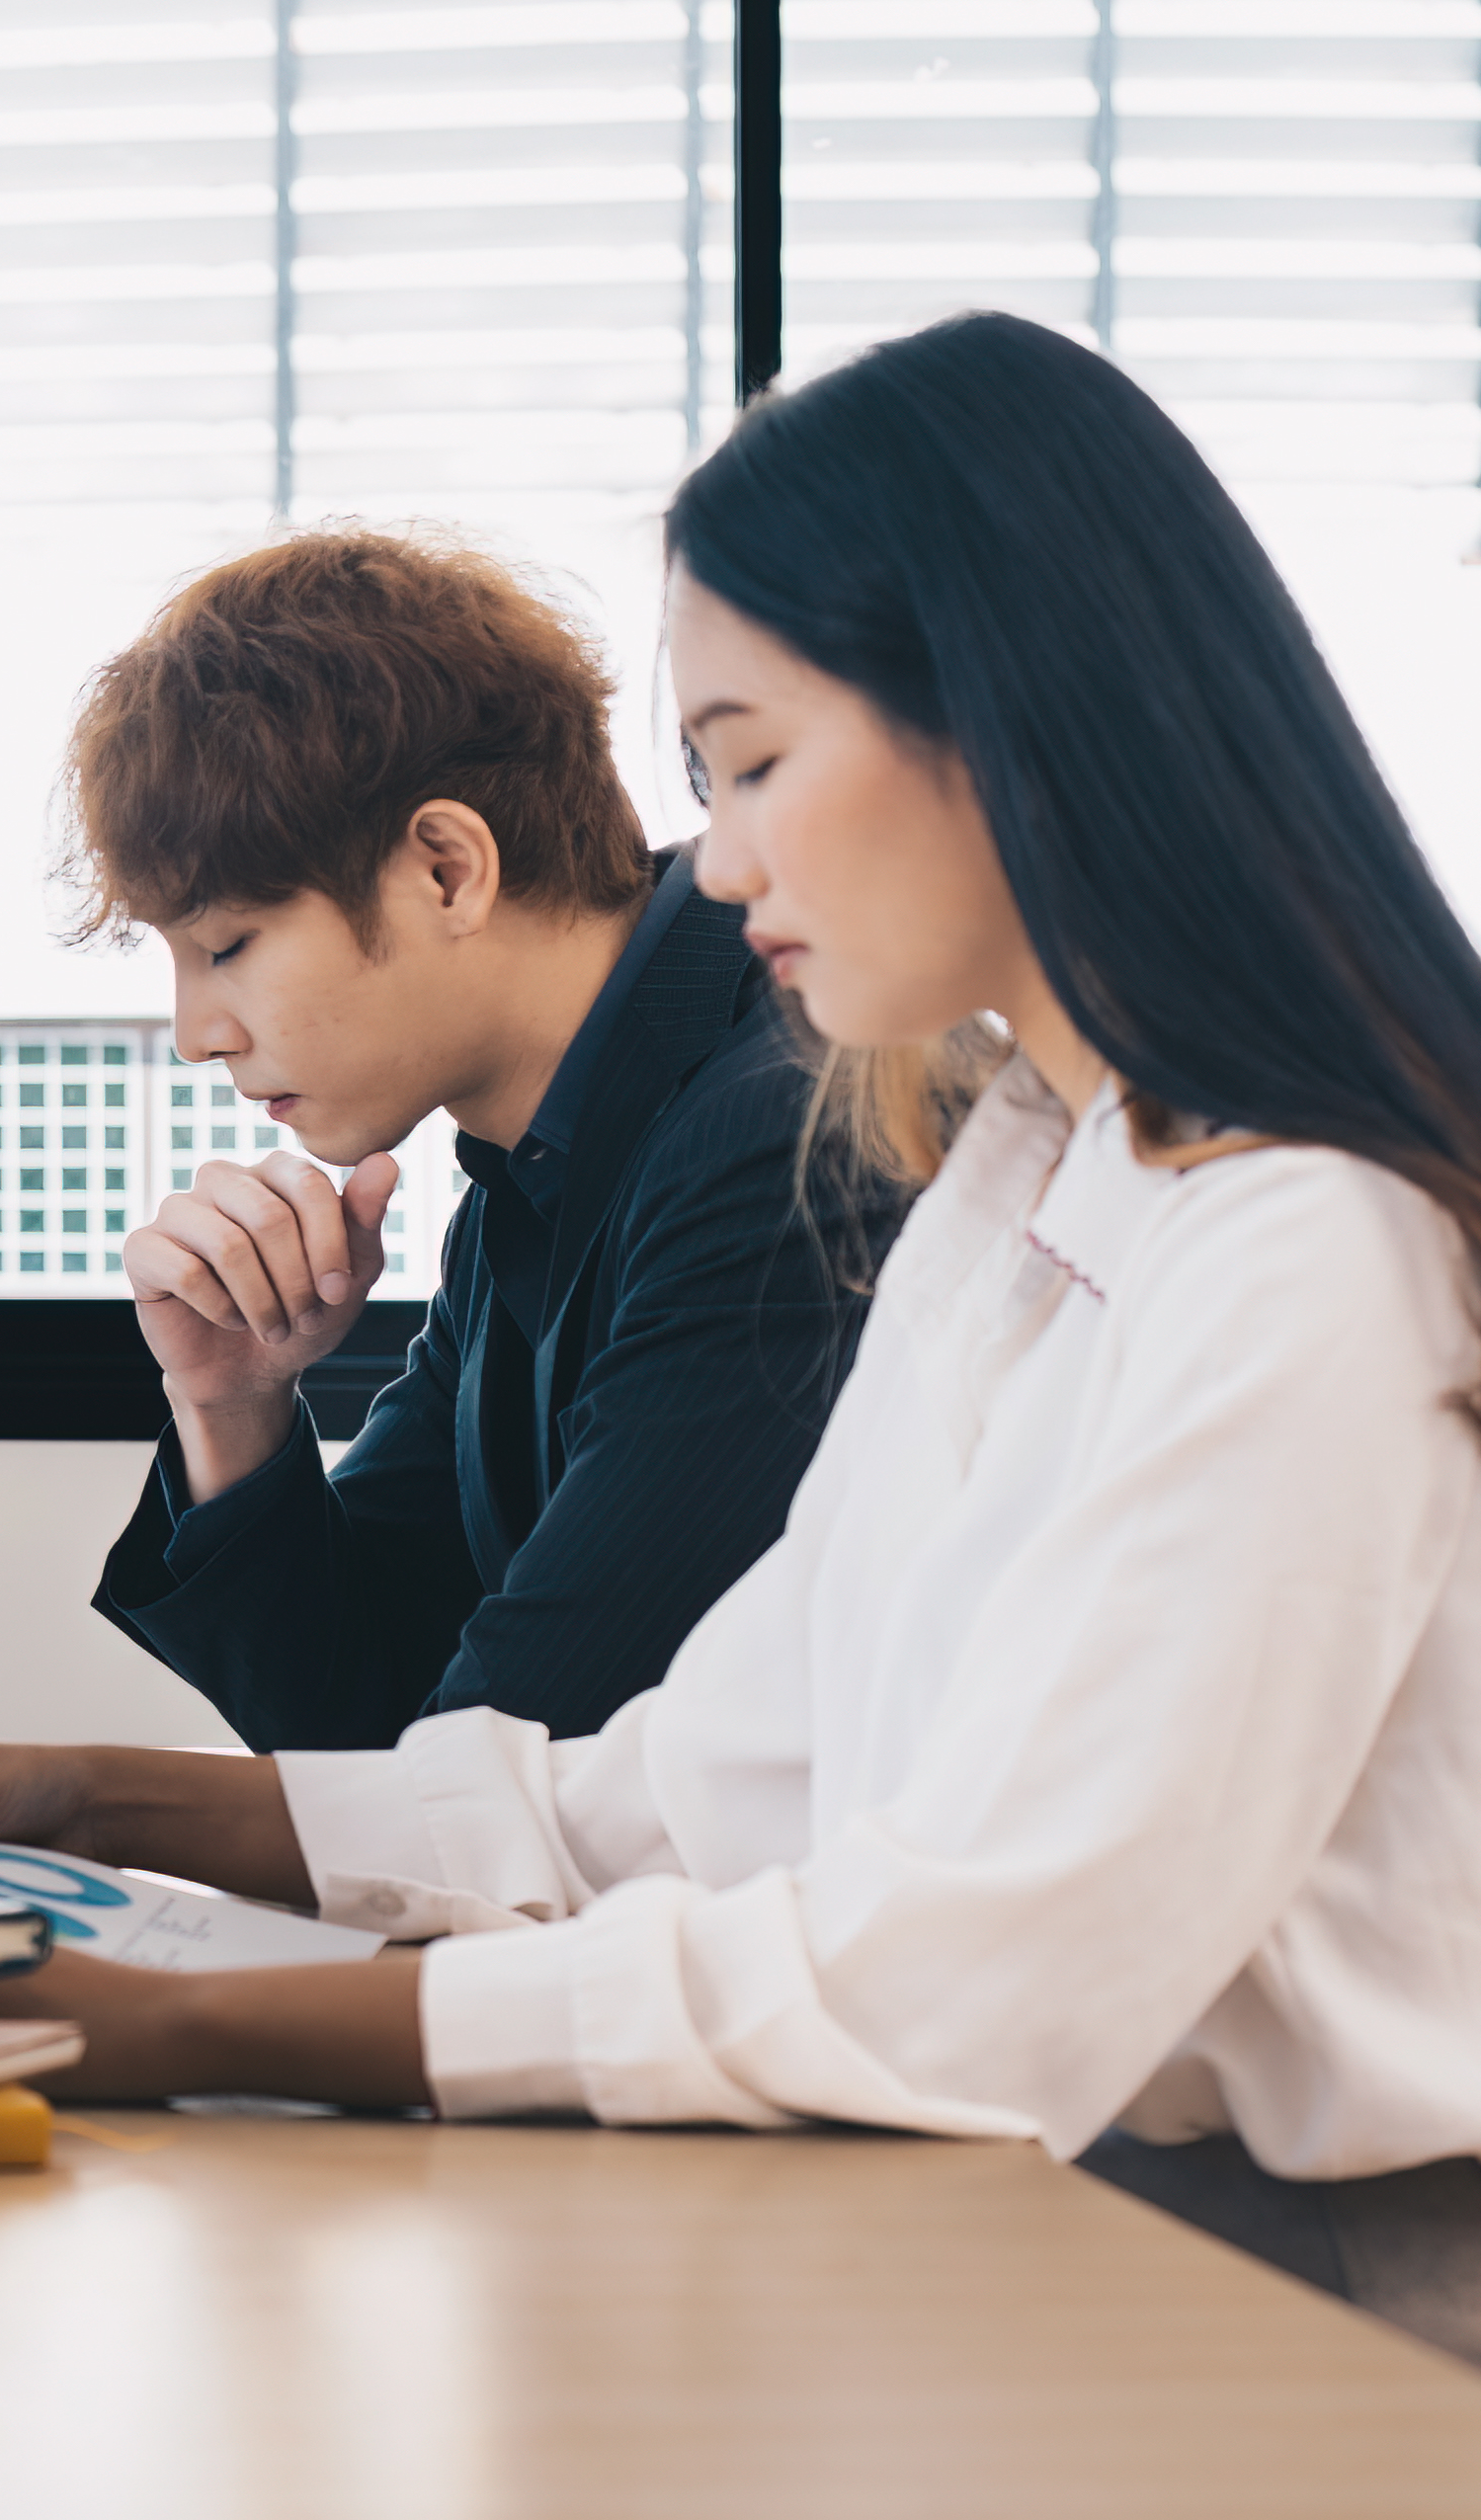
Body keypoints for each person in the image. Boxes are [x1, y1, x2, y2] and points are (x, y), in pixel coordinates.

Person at [0, 311, 1481, 2459]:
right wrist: (95, 1807)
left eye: (752, 762)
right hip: (1063, 2255)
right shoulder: (1029, 1177)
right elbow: (693, 1779)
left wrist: (181, 2024)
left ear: (1005, 725)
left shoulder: (1315, 1242)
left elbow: (957, 1985)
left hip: (1341, 2381)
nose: (712, 861)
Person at [67, 527, 896, 1748]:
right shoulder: (532, 1162)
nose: (196, 1034)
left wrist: (76, 1808)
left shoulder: (774, 1139)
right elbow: (369, 1717)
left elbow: (493, 1772)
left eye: (227, 943)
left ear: (447, 868)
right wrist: (231, 1405)